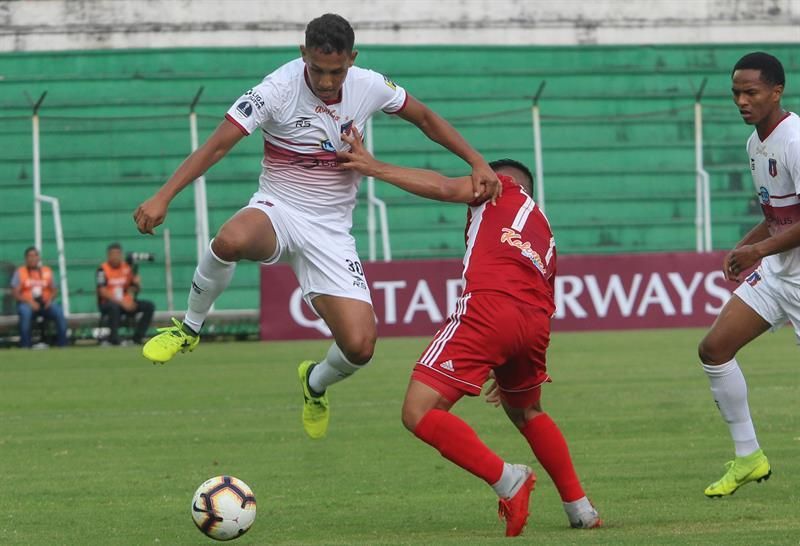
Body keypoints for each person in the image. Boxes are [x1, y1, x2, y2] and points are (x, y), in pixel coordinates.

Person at [132, 13, 500, 439]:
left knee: (360, 347)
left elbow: (426, 119)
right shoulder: (276, 90)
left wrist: (476, 160)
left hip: (330, 231)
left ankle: (314, 382)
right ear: (302, 53)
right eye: (317, 70)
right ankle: (190, 327)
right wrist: (164, 195)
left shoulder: (368, 85)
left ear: (352, 60)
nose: (326, 82)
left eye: (336, 72)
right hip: (279, 210)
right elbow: (217, 146)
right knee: (230, 239)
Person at [337, 128, 601, 536]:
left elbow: (444, 186)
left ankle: (507, 479)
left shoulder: (497, 186)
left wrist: (373, 167)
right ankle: (579, 507)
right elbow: (543, 297)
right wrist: (506, 356)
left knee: (419, 411)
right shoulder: (542, 228)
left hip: (489, 307)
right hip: (533, 323)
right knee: (527, 410)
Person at [697, 52, 800, 497]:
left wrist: (758, 249)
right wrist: (747, 245)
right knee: (714, 348)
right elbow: (779, 214)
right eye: (736, 92)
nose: (742, 100)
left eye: (751, 92)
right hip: (780, 275)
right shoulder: (755, 143)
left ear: (776, 92)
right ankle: (748, 457)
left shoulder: (795, 140)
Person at [96, 243, 155, 345]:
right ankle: (114, 339)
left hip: (125, 302)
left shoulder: (127, 268)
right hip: (108, 303)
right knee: (114, 307)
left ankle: (137, 338)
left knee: (149, 306)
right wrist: (122, 302)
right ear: (108, 256)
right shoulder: (102, 269)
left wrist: (137, 285)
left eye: (117, 254)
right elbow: (102, 291)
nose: (115, 257)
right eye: (112, 254)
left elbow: (133, 289)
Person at [10, 246, 67, 348]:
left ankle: (62, 345)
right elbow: (15, 293)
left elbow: (54, 290)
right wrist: (29, 302)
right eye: (30, 256)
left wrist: (50, 300)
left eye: (35, 256)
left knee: (59, 311)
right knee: (25, 312)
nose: (32, 258)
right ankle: (25, 345)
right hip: (27, 304)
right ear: (26, 258)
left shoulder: (47, 271)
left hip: (45, 304)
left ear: (39, 258)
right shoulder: (20, 272)